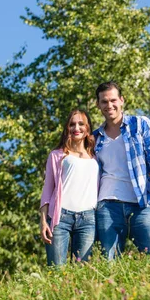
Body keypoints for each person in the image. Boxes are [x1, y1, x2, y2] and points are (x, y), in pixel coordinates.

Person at [93, 81, 150, 259]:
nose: (109, 105)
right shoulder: (95, 137)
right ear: (98, 105)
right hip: (107, 204)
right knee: (109, 262)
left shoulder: (140, 125)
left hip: (141, 202)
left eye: (113, 100)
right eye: (104, 101)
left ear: (121, 100)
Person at [39, 109, 99, 266]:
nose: (76, 128)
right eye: (72, 124)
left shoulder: (96, 157)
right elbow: (47, 190)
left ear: (87, 129)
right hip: (60, 218)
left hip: (88, 219)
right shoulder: (57, 155)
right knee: (56, 270)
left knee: (82, 271)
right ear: (67, 129)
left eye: (81, 124)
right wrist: (43, 222)